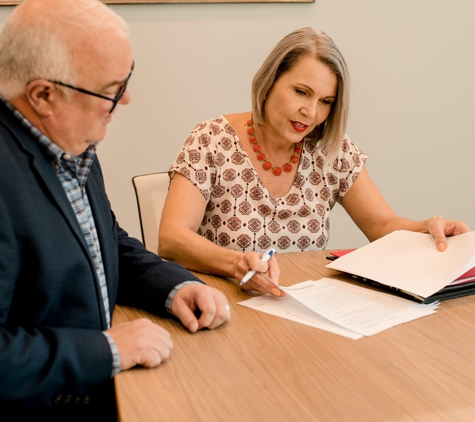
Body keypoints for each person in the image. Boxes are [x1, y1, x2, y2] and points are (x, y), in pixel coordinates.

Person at [0, 0, 230, 418]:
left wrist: (177, 286)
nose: (125, 100)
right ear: (43, 94)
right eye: (110, 90)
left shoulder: (70, 141)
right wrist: (106, 349)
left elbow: (106, 243)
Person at [158, 27, 470, 298]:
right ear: (270, 81)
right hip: (225, 301)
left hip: (301, 305)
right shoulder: (211, 139)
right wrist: (235, 263)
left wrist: (427, 227)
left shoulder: (331, 150)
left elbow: (381, 225)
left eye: (325, 102)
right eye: (300, 92)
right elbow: (171, 239)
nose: (311, 112)